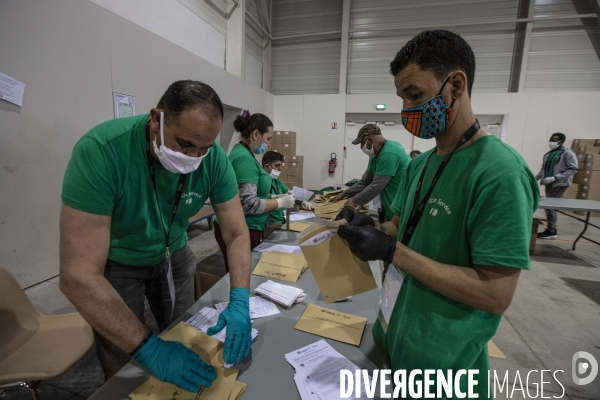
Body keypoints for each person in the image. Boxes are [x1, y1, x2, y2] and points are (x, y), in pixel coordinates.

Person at [335, 30, 538, 398]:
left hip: (442, 367)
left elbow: (495, 294)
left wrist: (392, 251)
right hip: (394, 335)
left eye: (415, 95)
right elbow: (400, 226)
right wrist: (372, 229)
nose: (407, 110)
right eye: (402, 98)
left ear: (455, 85)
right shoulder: (421, 164)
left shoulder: (499, 173)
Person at [59, 80, 253, 393]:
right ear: (156, 119)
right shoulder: (102, 151)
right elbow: (77, 276)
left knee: (186, 335)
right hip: (119, 264)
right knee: (123, 356)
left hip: (174, 255)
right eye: (185, 144)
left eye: (204, 148)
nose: (193, 157)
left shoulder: (213, 159)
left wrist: (241, 299)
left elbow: (236, 232)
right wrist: (150, 350)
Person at [214, 111, 295, 271]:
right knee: (243, 273)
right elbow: (248, 204)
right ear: (256, 134)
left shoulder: (246, 154)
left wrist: (275, 196)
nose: (269, 144)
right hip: (242, 227)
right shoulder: (244, 159)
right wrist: (280, 202)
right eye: (268, 139)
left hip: (248, 225)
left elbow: (253, 194)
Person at [331, 124, 411, 222]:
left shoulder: (389, 153)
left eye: (362, 143)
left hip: (400, 202)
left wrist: (354, 200)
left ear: (370, 140)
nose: (361, 147)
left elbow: (377, 185)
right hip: (389, 201)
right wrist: (345, 194)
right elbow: (366, 181)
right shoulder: (375, 155)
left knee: (396, 231)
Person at [535, 133, 578, 239]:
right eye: (551, 139)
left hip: (559, 183)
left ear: (561, 141)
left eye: (555, 140)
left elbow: (573, 169)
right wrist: (534, 179)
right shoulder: (549, 154)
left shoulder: (568, 153)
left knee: (550, 206)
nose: (552, 142)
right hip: (548, 182)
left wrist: (555, 177)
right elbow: (543, 169)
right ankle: (551, 229)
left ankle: (552, 231)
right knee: (549, 206)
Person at [261, 150, 312, 226]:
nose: (280, 169)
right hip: (270, 224)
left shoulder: (276, 180)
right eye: (277, 166)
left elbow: (290, 193)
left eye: (281, 165)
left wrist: (302, 202)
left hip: (281, 220)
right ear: (267, 166)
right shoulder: (261, 182)